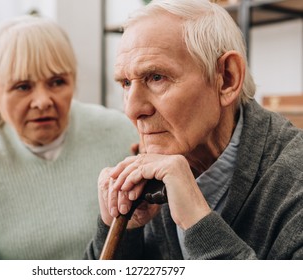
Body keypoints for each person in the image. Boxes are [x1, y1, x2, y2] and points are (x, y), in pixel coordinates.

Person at [85, 0, 303, 260]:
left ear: (227, 78)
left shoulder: (294, 180)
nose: (132, 110)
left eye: (156, 77)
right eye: (125, 83)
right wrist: (121, 231)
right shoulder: (150, 169)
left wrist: (198, 223)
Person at [0, 15, 139, 259]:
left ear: (73, 83)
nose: (42, 102)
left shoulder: (120, 131)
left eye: (57, 82)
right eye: (22, 87)